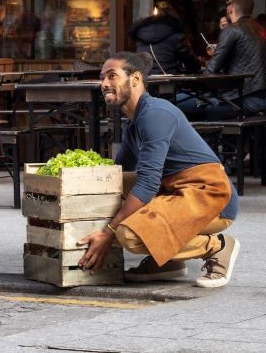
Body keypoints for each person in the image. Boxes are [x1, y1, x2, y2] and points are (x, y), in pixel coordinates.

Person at [78, 51, 240, 288]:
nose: (104, 84)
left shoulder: (155, 114)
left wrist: (108, 232)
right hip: (176, 193)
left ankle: (218, 246)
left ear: (135, 79)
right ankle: (168, 262)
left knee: (128, 234)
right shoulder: (133, 125)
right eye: (102, 77)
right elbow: (115, 175)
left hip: (212, 198)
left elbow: (148, 184)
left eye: (112, 76)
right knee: (112, 183)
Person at [195, 0, 266, 119]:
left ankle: (216, 138)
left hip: (244, 97)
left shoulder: (232, 30)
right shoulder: (261, 29)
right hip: (260, 96)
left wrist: (195, 87)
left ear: (231, 8)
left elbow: (211, 71)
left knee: (198, 107)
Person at [127, 2, 200, 75]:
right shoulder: (176, 37)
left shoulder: (142, 36)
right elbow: (193, 65)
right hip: (168, 82)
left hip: (145, 80)